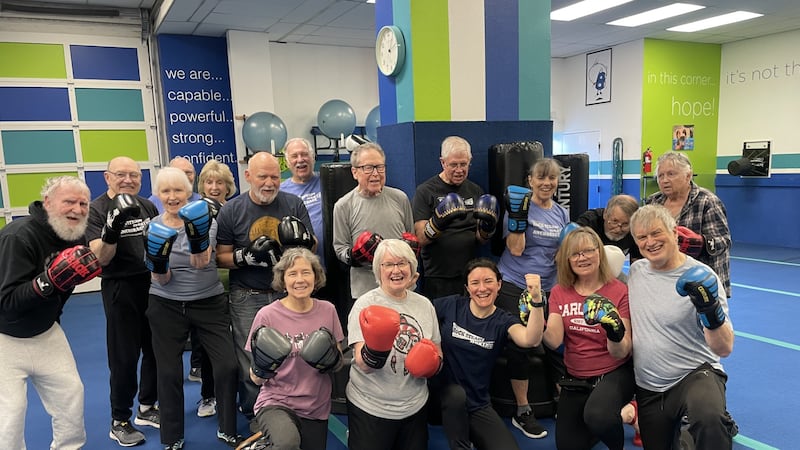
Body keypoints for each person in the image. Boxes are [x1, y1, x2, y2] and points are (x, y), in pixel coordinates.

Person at [0, 176, 102, 450]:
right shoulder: (18, 236)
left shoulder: (74, 236)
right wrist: (47, 282)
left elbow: (62, 289)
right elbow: (6, 301)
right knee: (10, 416)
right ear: (47, 203)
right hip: (4, 338)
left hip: (46, 332)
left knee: (71, 397)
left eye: (83, 204)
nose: (78, 210)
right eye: (69, 201)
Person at [144, 167, 240, 449]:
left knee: (227, 365)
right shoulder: (152, 226)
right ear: (159, 195)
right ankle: (172, 437)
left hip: (208, 301)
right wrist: (159, 260)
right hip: (165, 304)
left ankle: (227, 427)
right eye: (166, 191)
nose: (173, 197)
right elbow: (160, 278)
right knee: (169, 372)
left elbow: (201, 262)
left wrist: (195, 234)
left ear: (188, 192)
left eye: (178, 190)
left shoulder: (206, 220)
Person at [215, 151, 316, 418]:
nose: (269, 182)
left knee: (293, 353)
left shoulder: (293, 204)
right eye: (262, 176)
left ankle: (290, 406)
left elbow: (312, 246)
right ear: (248, 176)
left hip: (288, 294)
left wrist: (301, 242)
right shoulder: (231, 210)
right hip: (248, 295)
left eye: (274, 176)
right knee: (251, 357)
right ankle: (255, 415)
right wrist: (245, 257)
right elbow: (220, 257)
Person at [628, 204, 735, 449]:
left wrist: (710, 312)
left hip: (695, 373)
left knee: (709, 419)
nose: (650, 242)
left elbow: (724, 348)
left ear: (675, 232)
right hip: (650, 385)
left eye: (656, 233)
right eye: (642, 237)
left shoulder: (702, 276)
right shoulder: (636, 272)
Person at [430, 258, 545, 450]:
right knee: (456, 395)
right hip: (441, 397)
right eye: (475, 283)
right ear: (467, 288)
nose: (482, 288)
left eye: (488, 281)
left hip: (477, 403)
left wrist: (537, 300)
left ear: (499, 284)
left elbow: (530, 339)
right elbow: (418, 312)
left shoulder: (502, 319)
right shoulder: (452, 305)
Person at [237, 248, 344, 450]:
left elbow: (337, 362)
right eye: (292, 274)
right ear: (283, 280)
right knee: (287, 444)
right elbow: (255, 378)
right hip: (277, 401)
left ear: (316, 276)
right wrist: (263, 367)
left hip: (315, 406)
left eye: (306, 272)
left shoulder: (327, 310)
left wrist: (331, 359)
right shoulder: (267, 315)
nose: (300, 279)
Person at [88, 156, 161, 447]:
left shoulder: (147, 205)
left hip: (151, 284)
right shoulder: (96, 209)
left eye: (134, 174)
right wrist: (112, 228)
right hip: (120, 287)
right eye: (121, 174)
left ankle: (147, 406)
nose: (128, 179)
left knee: (155, 348)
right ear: (107, 177)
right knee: (124, 356)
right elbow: (99, 258)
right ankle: (119, 419)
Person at [496, 158, 569, 439]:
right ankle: (523, 409)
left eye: (552, 178)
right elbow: (515, 250)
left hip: (549, 287)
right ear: (530, 181)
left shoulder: (561, 213)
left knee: (557, 344)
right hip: (516, 284)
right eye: (541, 177)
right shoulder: (520, 208)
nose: (547, 183)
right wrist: (518, 219)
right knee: (520, 344)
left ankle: (565, 402)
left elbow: (561, 254)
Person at [346, 239, 442, 450]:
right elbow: (362, 364)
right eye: (388, 264)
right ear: (378, 271)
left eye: (402, 263)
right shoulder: (365, 304)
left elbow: (437, 349)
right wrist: (376, 347)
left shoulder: (425, 305)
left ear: (412, 268)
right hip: (371, 407)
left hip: (414, 406)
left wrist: (433, 363)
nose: (396, 270)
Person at [544, 227, 634, 450]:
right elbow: (554, 340)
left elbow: (622, 351)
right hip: (575, 377)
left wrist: (613, 328)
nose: (582, 258)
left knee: (599, 416)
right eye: (575, 253)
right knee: (568, 445)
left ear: (599, 254)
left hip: (613, 372)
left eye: (588, 251)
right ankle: (625, 415)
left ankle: (620, 429)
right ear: (567, 260)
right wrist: (535, 314)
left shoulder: (619, 290)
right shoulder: (559, 292)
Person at [332, 142, 414, 317]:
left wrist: (409, 250)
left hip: (402, 288)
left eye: (380, 167)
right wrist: (355, 256)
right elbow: (339, 247)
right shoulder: (344, 206)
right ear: (355, 172)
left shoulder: (400, 198)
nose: (376, 174)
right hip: (366, 291)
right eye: (368, 168)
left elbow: (410, 236)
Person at [412, 136, 497, 299]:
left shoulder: (475, 190)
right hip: (438, 276)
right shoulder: (426, 191)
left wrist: (488, 227)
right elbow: (420, 238)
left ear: (469, 162)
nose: (459, 170)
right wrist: (438, 222)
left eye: (463, 164)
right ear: (443, 162)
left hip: (470, 274)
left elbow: (481, 239)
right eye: (453, 165)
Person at [645, 151, 732, 297]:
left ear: (688, 175)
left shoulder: (707, 201)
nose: (665, 180)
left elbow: (723, 241)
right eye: (661, 175)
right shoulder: (653, 202)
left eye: (671, 174)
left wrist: (700, 243)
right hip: (665, 278)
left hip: (702, 281)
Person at [192, 159, 237, 418]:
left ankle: (237, 393)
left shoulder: (235, 209)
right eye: (209, 181)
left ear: (228, 186)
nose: (214, 186)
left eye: (219, 182)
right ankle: (208, 396)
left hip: (236, 284)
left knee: (236, 344)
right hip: (207, 287)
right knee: (209, 347)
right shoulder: (195, 212)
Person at [280, 138, 326, 267]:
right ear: (288, 163)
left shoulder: (328, 180)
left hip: (332, 263)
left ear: (313, 157)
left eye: (304, 154)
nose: (300, 159)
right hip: (300, 266)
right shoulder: (281, 191)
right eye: (294, 156)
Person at [575, 194, 641, 262]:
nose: (618, 230)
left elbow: (639, 263)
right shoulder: (588, 223)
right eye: (615, 221)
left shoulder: (636, 229)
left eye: (625, 224)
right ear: (605, 214)